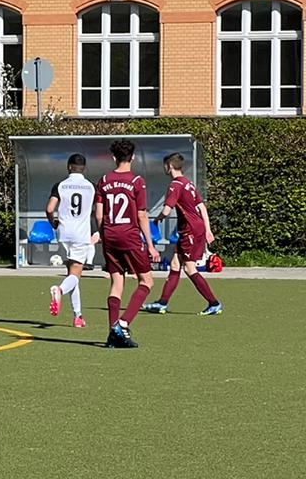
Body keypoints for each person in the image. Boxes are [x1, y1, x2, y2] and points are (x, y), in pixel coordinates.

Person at [95, 138, 156, 349]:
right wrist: (150, 244)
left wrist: (104, 234)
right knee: (146, 281)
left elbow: (99, 215)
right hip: (129, 236)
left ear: (114, 157)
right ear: (133, 157)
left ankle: (112, 335)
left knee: (117, 282)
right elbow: (142, 215)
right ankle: (122, 324)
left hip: (110, 235)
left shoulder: (104, 180)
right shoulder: (137, 181)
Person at [143, 153, 222, 317]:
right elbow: (202, 207)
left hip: (190, 231)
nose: (164, 168)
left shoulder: (175, 185)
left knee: (189, 268)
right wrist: (208, 229)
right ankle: (162, 303)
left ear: (169, 166)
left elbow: (166, 210)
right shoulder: (188, 183)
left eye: (165, 165)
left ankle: (214, 303)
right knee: (175, 264)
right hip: (194, 228)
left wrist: (156, 219)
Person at [44, 153, 97, 329]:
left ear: (68, 167)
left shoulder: (60, 185)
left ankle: (78, 316)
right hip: (81, 234)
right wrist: (99, 231)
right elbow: (98, 212)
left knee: (72, 275)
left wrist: (53, 223)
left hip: (64, 233)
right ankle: (59, 290)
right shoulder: (91, 187)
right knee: (75, 275)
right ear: (84, 168)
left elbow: (50, 208)